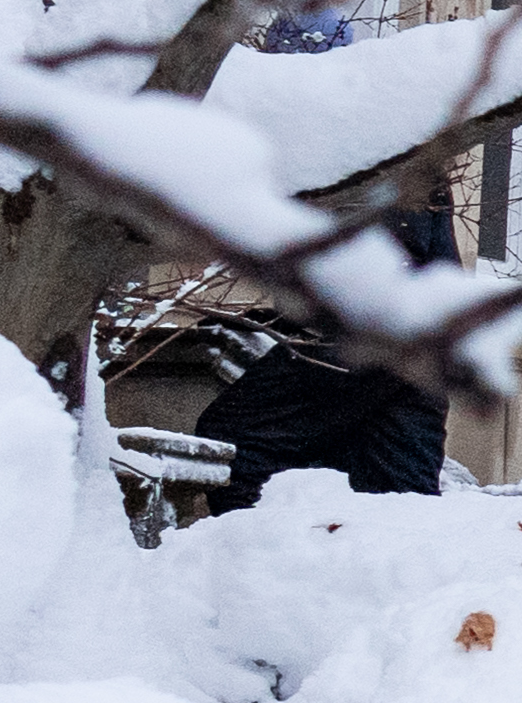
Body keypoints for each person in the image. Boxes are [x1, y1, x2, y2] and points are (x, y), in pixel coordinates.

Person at [188, 170, 466, 499]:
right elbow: (443, 267)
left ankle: (269, 544)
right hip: (430, 341)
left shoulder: (355, 146)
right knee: (399, 499)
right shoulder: (421, 152)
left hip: (366, 332)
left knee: (231, 438)